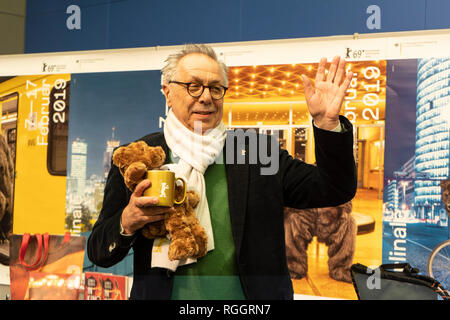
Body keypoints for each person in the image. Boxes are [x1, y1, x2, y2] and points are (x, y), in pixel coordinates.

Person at [87, 43, 357, 300]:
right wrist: (128, 220)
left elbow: (333, 188)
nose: (206, 97)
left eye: (216, 88)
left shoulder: (257, 151)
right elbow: (100, 251)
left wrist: (326, 125)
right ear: (167, 92)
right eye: (193, 86)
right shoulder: (137, 157)